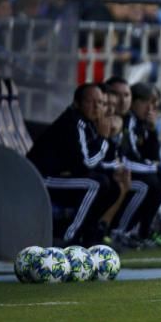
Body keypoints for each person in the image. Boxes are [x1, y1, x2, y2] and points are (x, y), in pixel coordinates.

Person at [26, 83, 126, 247]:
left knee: (112, 186)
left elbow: (98, 162)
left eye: (100, 103)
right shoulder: (74, 122)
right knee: (95, 184)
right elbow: (86, 164)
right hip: (40, 178)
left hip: (61, 177)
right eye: (90, 102)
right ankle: (67, 237)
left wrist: (113, 160)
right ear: (77, 103)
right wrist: (103, 139)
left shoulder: (89, 123)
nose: (96, 107)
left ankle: (89, 235)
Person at [103, 78, 161, 247]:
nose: (151, 109)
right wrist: (157, 168)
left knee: (160, 183)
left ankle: (143, 232)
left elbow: (150, 157)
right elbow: (126, 158)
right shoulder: (121, 121)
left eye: (154, 105)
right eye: (147, 103)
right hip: (109, 172)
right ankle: (120, 232)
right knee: (145, 184)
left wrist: (152, 131)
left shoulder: (137, 123)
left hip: (119, 171)